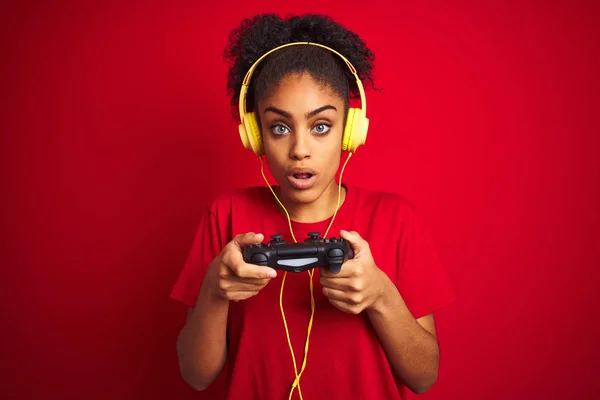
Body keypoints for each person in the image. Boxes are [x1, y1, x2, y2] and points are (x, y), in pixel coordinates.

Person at [170, 12, 455, 400]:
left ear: (350, 132)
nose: (300, 150)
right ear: (255, 136)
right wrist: (214, 293)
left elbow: (424, 377)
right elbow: (196, 375)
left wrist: (380, 296)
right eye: (279, 128)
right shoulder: (226, 215)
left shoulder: (395, 218)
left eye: (320, 126)